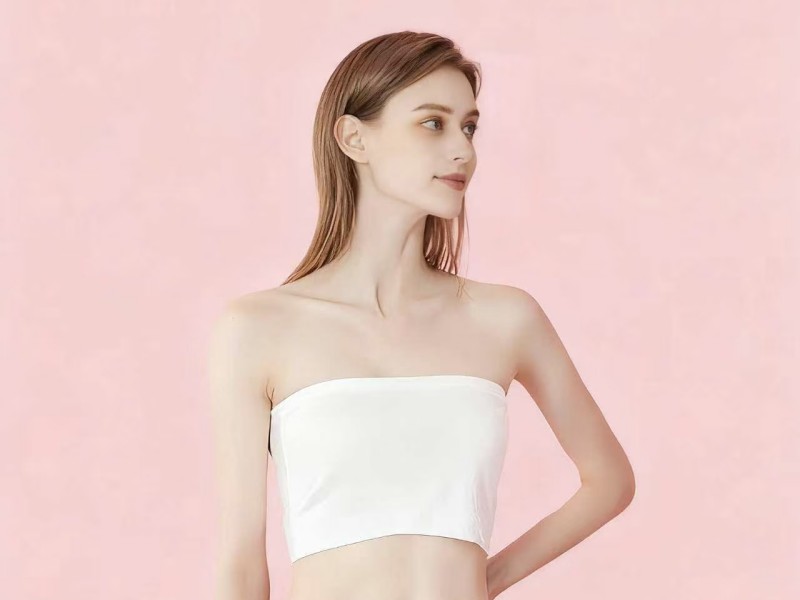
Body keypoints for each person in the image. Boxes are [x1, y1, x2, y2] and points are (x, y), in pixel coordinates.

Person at [208, 30, 635, 600]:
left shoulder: (505, 318)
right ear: (354, 138)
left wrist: (487, 581)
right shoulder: (258, 329)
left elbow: (609, 481)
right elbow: (242, 564)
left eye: (469, 127)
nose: (463, 150)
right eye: (433, 123)